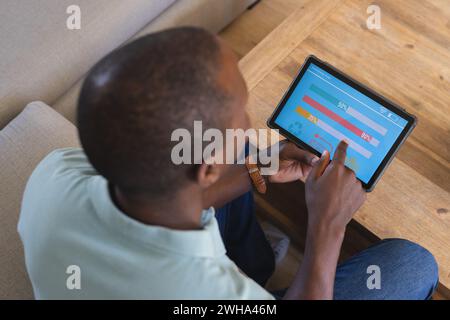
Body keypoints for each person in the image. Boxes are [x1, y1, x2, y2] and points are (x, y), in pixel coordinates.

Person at [18, 27, 438, 299]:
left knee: (245, 154)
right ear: (204, 170)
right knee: (413, 265)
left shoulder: (54, 173)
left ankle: (256, 262)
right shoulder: (211, 293)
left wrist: (257, 166)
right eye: (242, 113)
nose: (249, 122)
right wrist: (327, 227)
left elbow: (177, 181)